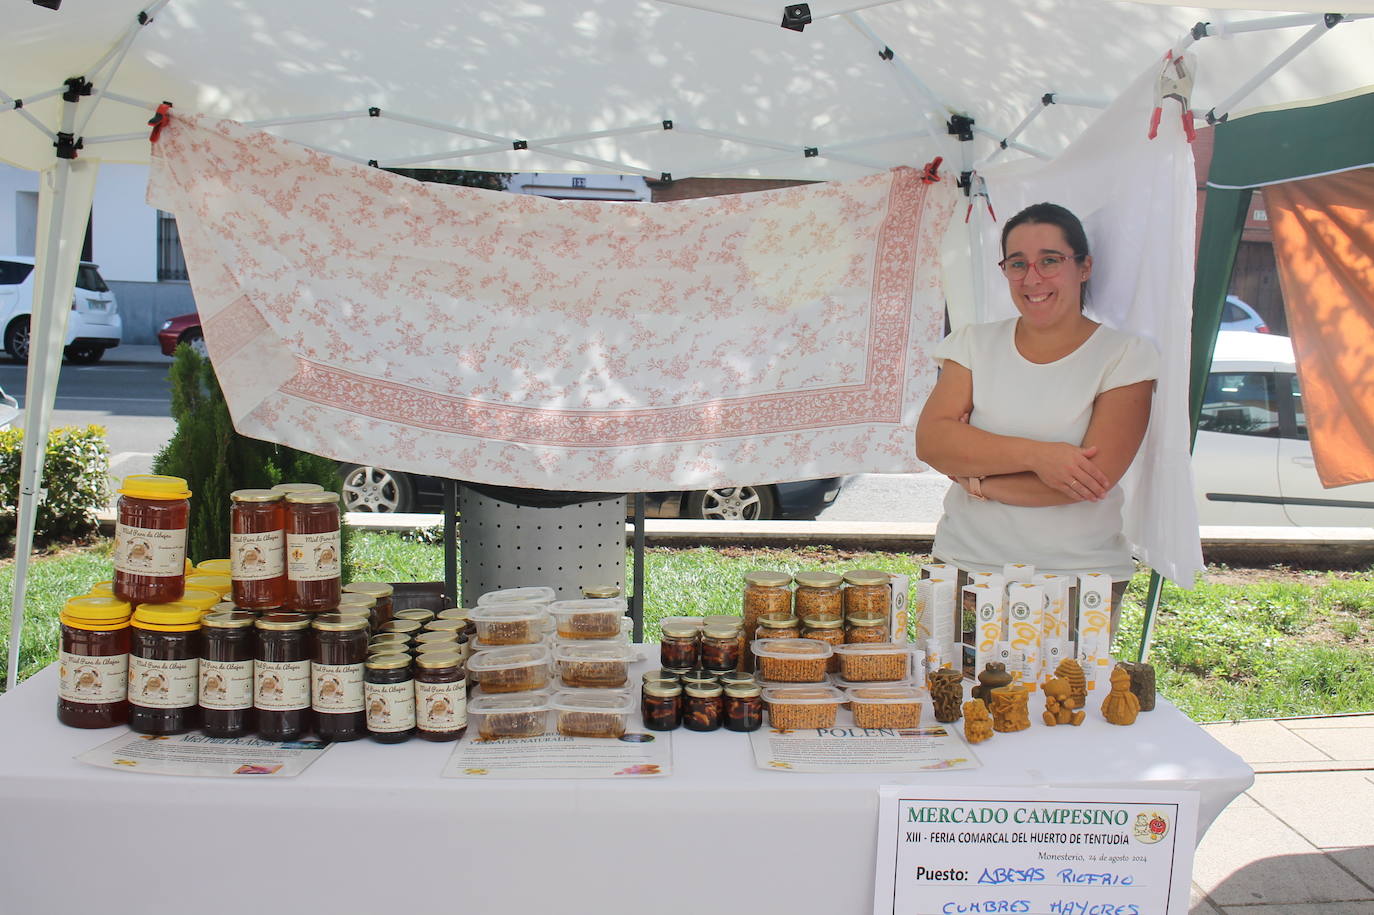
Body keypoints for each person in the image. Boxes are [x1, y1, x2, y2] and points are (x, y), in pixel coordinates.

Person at [914, 202, 1159, 630]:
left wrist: (979, 479)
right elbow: (932, 442)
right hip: (964, 566)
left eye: (1050, 261)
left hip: (1077, 580)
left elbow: (1090, 480)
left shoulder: (1124, 355)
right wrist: (1041, 456)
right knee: (947, 677)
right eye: (1017, 263)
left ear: (1084, 267)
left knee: (1066, 681)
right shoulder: (973, 344)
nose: (1032, 278)